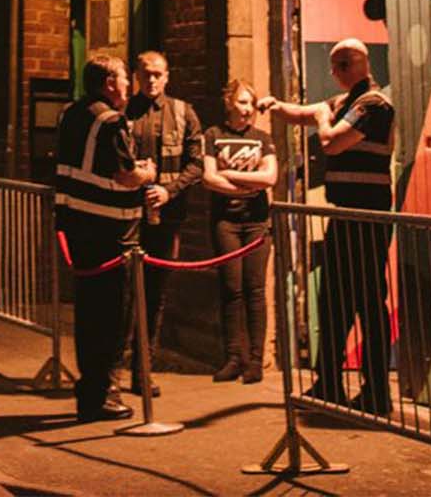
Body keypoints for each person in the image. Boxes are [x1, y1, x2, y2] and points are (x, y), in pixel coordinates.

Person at [262, 38, 395, 415]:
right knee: (335, 300)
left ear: (353, 64)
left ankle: (376, 391)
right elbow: (305, 113)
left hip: (366, 218)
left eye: (337, 67)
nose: (332, 74)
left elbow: (330, 141)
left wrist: (322, 116)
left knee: (368, 304)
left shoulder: (373, 105)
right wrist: (275, 105)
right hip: (348, 215)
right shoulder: (349, 103)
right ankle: (329, 383)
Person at [53, 55, 154, 424]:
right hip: (112, 234)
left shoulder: (70, 113)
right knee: (113, 320)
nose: (130, 84)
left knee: (88, 315)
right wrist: (148, 172)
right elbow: (126, 175)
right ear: (110, 83)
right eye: (126, 77)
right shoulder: (111, 122)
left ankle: (89, 391)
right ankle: (104, 394)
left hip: (78, 229)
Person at [121, 50, 204, 391]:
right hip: (126, 216)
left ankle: (143, 369)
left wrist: (169, 191)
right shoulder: (123, 113)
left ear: (167, 76)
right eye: (146, 74)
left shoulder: (184, 113)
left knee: (155, 294)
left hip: (167, 217)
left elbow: (197, 163)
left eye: (158, 74)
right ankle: (112, 369)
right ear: (136, 75)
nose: (152, 80)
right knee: (123, 292)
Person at [204, 77, 278, 382]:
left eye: (251, 103)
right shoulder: (213, 135)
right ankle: (234, 357)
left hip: (256, 221)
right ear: (229, 103)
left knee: (255, 289)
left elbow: (270, 176)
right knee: (231, 289)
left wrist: (230, 176)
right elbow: (209, 178)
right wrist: (249, 181)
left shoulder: (263, 138)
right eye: (242, 102)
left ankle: (256, 362)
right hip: (226, 222)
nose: (248, 109)